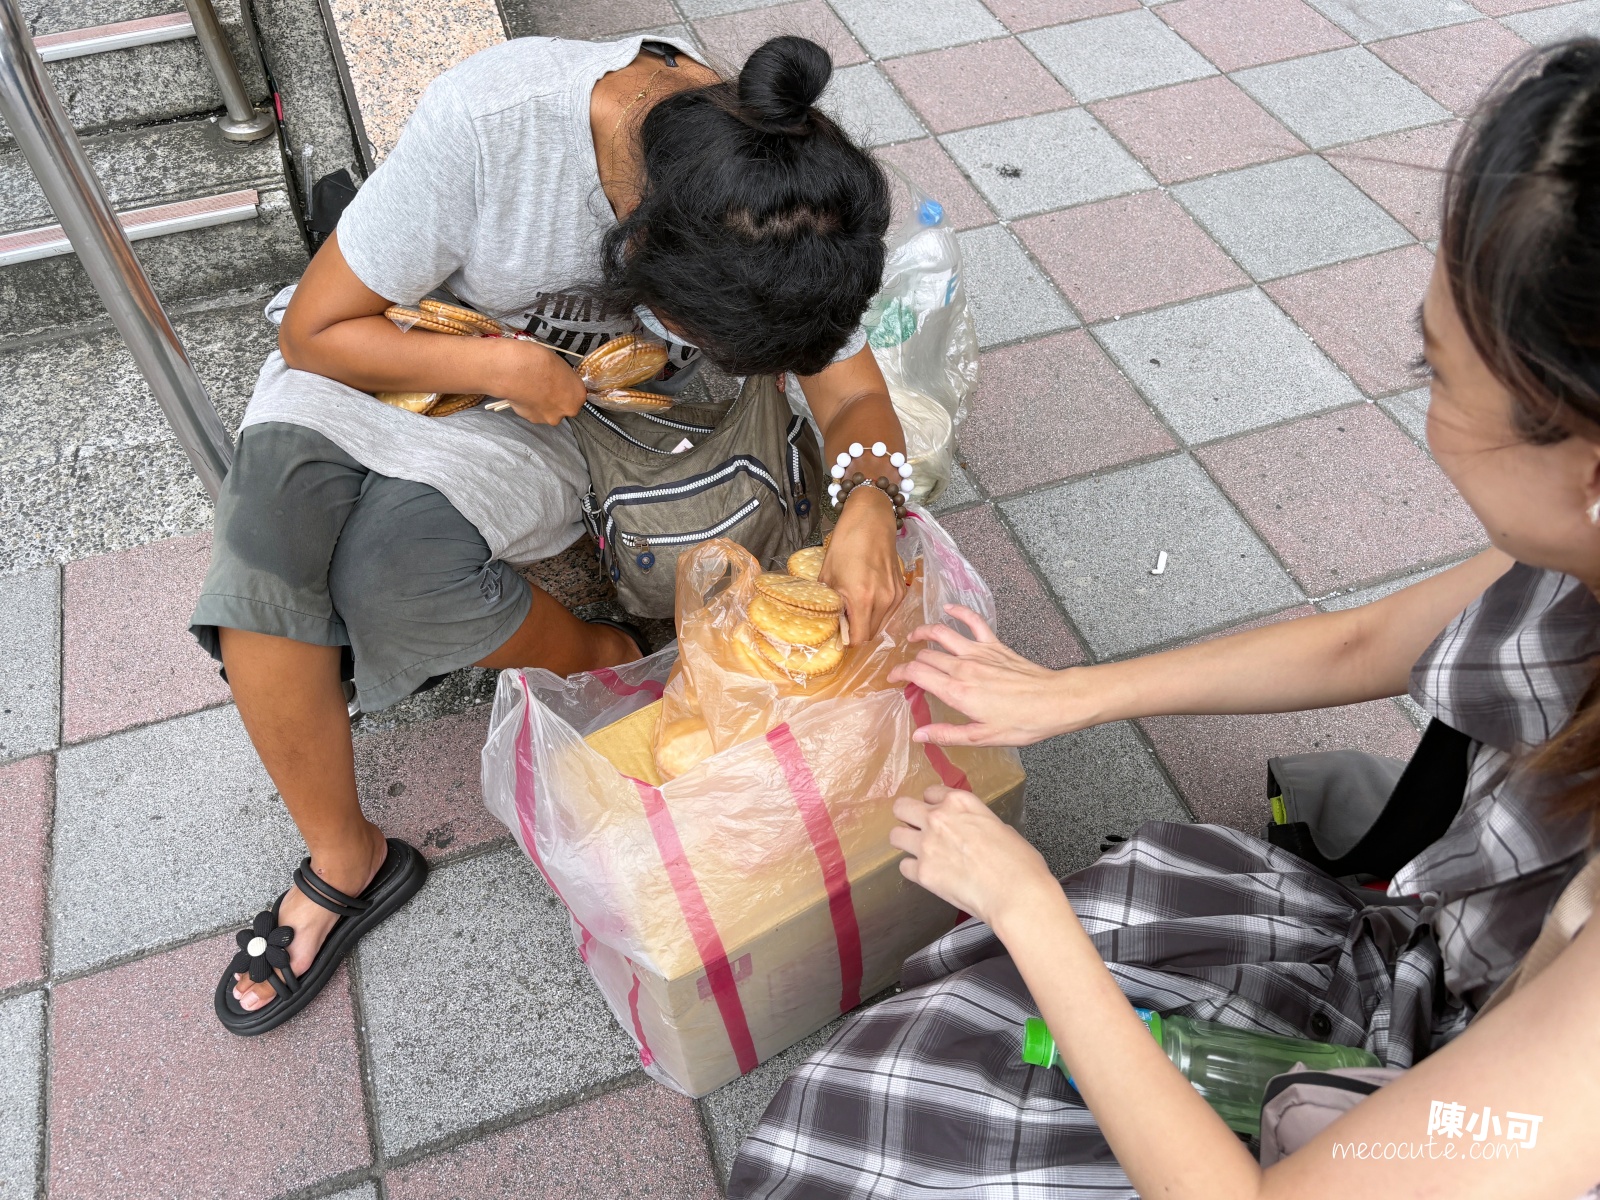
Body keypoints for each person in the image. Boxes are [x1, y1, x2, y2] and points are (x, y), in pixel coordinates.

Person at [730, 39, 1600, 1200]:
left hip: (1464, 1122)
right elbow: (1369, 640)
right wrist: (1074, 694)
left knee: (870, 1122)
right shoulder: (1568, 545)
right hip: (1453, 972)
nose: (1422, 402)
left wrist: (1030, 908)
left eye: (1432, 369)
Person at [199, 33, 907, 1034]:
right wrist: (504, 370)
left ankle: (608, 663)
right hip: (417, 354)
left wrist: (870, 497)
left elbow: (851, 394)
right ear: (640, 251)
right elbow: (316, 331)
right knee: (265, 557)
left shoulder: (783, 188)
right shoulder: (490, 126)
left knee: (395, 568)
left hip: (592, 413)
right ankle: (345, 860)